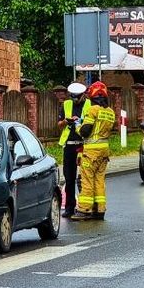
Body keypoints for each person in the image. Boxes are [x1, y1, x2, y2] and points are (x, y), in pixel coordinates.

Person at [71, 81, 116, 221]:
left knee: (87, 180)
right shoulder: (110, 112)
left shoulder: (93, 110)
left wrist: (78, 125)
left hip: (91, 151)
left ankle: (84, 210)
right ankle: (99, 209)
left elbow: (85, 132)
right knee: (99, 180)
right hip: (104, 151)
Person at [57, 82, 89, 217]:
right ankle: (70, 208)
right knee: (69, 178)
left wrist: (80, 121)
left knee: (83, 178)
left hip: (83, 145)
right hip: (69, 145)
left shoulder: (89, 105)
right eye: (73, 97)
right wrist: (66, 121)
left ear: (83, 95)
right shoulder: (66, 105)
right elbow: (59, 125)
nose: (75, 99)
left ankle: (84, 206)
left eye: (77, 97)